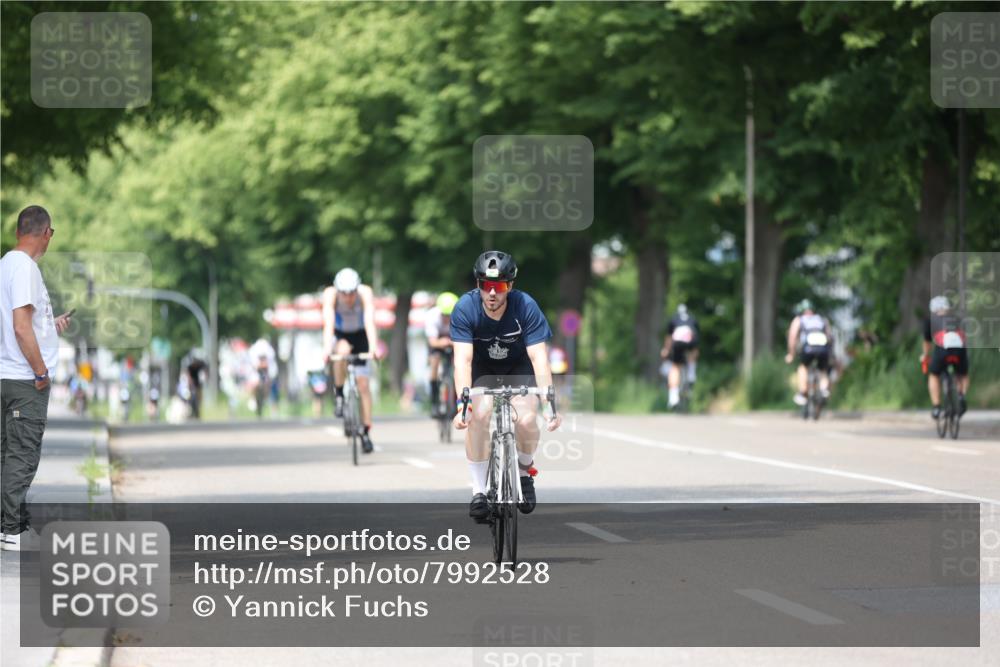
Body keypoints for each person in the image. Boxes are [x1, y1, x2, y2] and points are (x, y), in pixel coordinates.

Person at [450, 251, 562, 523]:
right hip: (482, 370)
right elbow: (463, 361)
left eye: (498, 286)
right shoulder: (465, 308)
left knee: (526, 420)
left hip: (517, 368)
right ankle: (479, 491)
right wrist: (463, 405)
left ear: (510, 286)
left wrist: (548, 404)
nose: (491, 293)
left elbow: (539, 357)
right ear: (478, 285)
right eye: (485, 285)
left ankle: (524, 472)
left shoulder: (525, 306)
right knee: (479, 415)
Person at [1, 205, 73, 551]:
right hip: (23, 380)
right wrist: (40, 372)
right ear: (47, 233)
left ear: (18, 231)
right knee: (22, 456)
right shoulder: (26, 268)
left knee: (7, 455)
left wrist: (49, 325)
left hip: (6, 375)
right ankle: (13, 530)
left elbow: (18, 323)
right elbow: (19, 327)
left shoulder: (5, 265)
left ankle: (8, 526)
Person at [322, 268, 382, 453]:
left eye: (351, 293)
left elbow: (370, 321)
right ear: (338, 290)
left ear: (357, 289)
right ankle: (339, 394)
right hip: (341, 334)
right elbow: (328, 323)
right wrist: (326, 349)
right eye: (344, 293)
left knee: (363, 385)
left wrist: (374, 347)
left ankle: (366, 431)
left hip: (361, 334)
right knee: (341, 352)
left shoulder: (365, 293)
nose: (348, 298)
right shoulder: (330, 294)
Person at [921, 295, 969, 419]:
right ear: (947, 308)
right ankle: (961, 396)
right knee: (962, 374)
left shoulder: (930, 321)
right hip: (959, 350)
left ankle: (936, 407)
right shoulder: (957, 319)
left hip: (942, 351)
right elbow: (965, 337)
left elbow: (927, 343)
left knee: (934, 375)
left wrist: (925, 356)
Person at [784, 299, 834, 406]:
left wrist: (791, 354)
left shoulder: (799, 319)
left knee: (803, 367)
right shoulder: (822, 319)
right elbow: (830, 336)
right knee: (823, 370)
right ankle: (824, 389)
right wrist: (830, 354)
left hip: (808, 348)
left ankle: (803, 393)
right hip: (823, 348)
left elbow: (792, 336)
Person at [660, 304, 699, 409]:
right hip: (691, 340)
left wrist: (666, 350)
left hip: (677, 342)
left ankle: (673, 397)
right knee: (693, 353)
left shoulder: (673, 319)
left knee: (675, 367)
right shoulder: (693, 318)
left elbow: (669, 337)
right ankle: (691, 374)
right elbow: (696, 337)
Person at [425, 292, 458, 416]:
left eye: (449, 315)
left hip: (453, 340)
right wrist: (443, 342)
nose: (447, 318)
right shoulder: (431, 316)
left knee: (459, 364)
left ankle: (456, 401)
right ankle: (434, 402)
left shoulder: (460, 316)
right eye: (444, 314)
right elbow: (432, 342)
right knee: (434, 362)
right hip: (437, 341)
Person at [248, 337, 277, 417]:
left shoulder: (270, 357)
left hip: (266, 374)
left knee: (269, 386)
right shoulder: (254, 355)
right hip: (257, 373)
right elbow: (255, 368)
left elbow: (270, 371)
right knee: (254, 384)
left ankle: (267, 401)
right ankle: (254, 399)